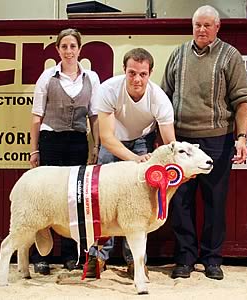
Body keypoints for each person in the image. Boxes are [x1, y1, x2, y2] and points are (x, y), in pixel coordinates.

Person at [161, 5, 247, 280]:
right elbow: (164, 97)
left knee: (215, 202)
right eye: (197, 25)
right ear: (192, 26)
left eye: (207, 25)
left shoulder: (231, 56)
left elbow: (243, 102)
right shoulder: (178, 54)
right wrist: (165, 139)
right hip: (181, 141)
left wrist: (242, 137)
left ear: (217, 28)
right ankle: (185, 259)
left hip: (217, 141)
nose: (201, 30)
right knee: (181, 203)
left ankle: (212, 259)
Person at [84, 47, 176, 279]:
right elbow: (106, 138)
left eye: (142, 74)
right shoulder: (108, 90)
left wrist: (178, 167)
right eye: (132, 73)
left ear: (150, 73)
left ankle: (136, 261)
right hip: (113, 142)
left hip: (142, 140)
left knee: (140, 204)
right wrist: (136, 161)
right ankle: (99, 257)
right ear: (124, 70)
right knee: (102, 198)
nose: (137, 79)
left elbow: (170, 144)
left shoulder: (159, 99)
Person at [29, 28, 100, 275]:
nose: (69, 51)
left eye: (73, 46)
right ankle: (42, 257)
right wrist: (34, 150)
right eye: (64, 46)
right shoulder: (47, 77)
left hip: (78, 142)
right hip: (52, 140)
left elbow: (94, 116)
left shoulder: (91, 78)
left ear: (80, 49)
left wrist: (96, 147)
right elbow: (37, 116)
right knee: (47, 197)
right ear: (58, 49)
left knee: (74, 198)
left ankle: (71, 256)